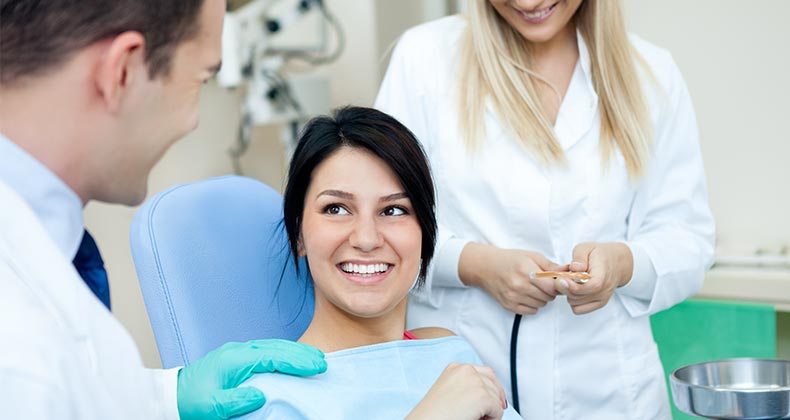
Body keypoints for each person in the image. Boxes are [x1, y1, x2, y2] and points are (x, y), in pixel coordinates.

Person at [375, 1, 716, 419]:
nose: (528, 3)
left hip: (612, 394)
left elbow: (688, 239)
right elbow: (383, 220)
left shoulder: (652, 73)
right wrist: (475, 264)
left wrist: (622, 263)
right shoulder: (425, 58)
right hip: (462, 387)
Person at [0, 1, 327, 419]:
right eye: (201, 79)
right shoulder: (17, 354)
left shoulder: (36, 245)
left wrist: (166, 397)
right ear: (122, 72)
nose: (192, 122)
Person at [239, 106, 521, 419]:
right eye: (336, 209)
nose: (367, 238)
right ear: (299, 235)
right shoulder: (266, 400)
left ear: (425, 235)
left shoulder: (451, 358)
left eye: (393, 210)